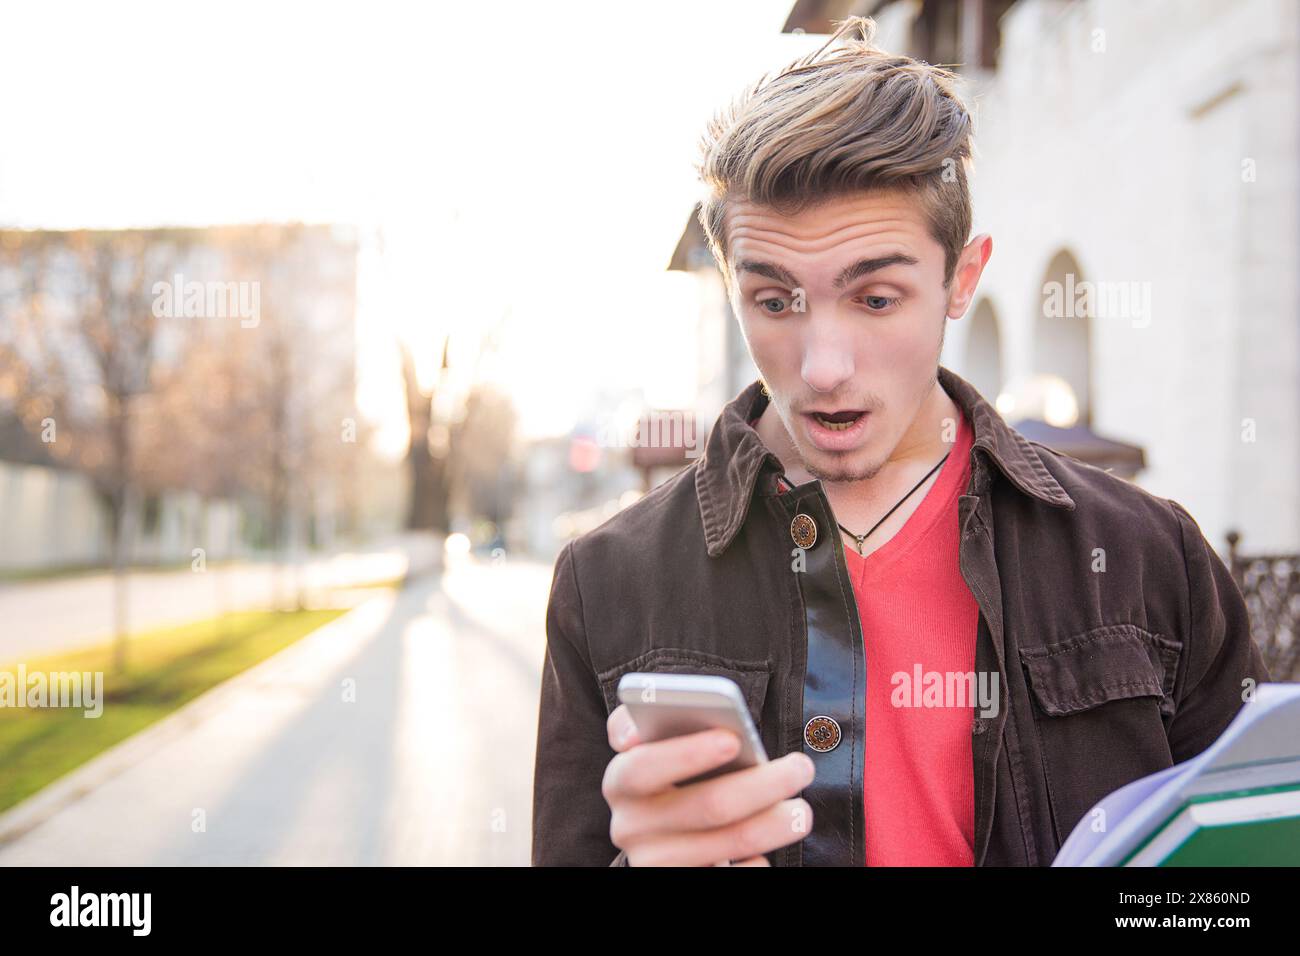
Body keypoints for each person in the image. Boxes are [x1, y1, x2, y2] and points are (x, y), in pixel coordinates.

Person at [531, 16, 1270, 867]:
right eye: (775, 302)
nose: (824, 367)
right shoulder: (608, 583)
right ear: (733, 286)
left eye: (876, 298)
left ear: (963, 278)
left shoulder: (1150, 558)